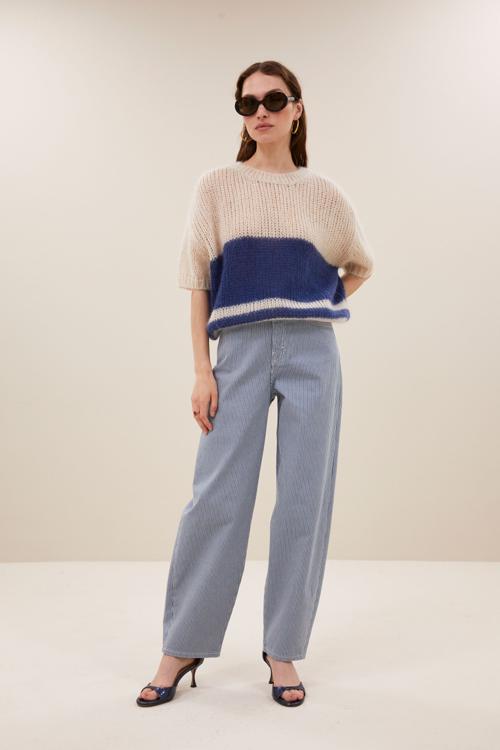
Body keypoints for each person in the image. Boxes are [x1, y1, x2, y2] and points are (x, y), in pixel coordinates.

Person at [137, 59, 374, 709]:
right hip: (236, 352)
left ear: (297, 108)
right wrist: (201, 370)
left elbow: (360, 264)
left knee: (302, 501)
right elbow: (197, 281)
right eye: (248, 103)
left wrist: (318, 302)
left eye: (273, 100)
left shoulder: (323, 193)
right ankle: (182, 644)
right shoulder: (217, 186)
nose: (260, 111)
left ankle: (283, 649)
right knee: (215, 499)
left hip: (312, 352)